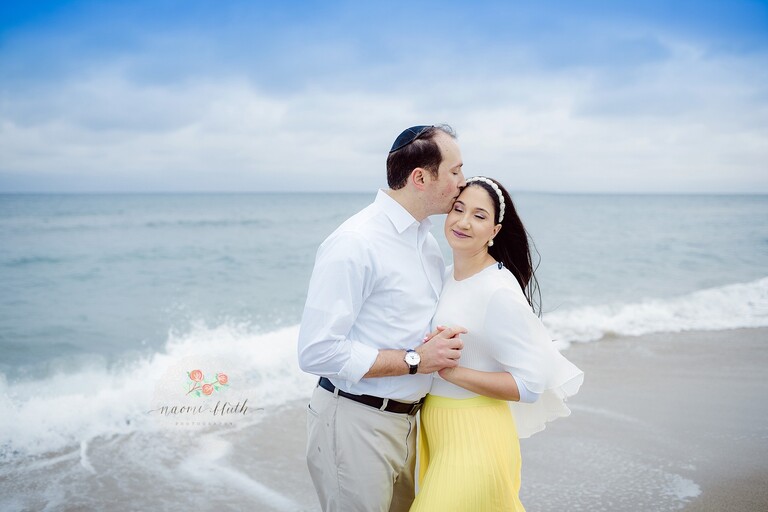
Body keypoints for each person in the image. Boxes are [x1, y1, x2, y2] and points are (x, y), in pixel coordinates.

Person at [297, 125, 468, 512]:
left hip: (409, 424)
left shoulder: (426, 241)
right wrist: (416, 360)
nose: (463, 181)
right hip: (356, 422)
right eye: (455, 171)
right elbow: (316, 351)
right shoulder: (355, 242)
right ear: (420, 178)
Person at [410, 176, 584, 511]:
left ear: (495, 230)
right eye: (458, 209)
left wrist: (451, 373)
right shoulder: (444, 275)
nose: (463, 222)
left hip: (477, 436)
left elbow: (530, 385)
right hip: (437, 430)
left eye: (479, 215)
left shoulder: (498, 290)